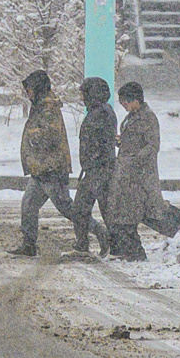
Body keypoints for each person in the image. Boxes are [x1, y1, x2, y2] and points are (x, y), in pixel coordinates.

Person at [12, 69, 90, 256]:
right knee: (28, 205)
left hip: (52, 168)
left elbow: (50, 135)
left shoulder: (48, 107)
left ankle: (100, 233)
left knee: (67, 208)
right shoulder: (40, 105)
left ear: (38, 88)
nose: (28, 93)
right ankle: (29, 245)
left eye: (30, 89)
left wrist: (32, 135)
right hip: (41, 168)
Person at [112, 80, 180, 247]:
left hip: (142, 172)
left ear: (136, 100)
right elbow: (134, 140)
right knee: (145, 208)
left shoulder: (147, 117)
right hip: (130, 171)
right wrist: (122, 142)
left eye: (125, 102)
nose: (124, 106)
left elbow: (152, 145)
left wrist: (135, 159)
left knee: (152, 207)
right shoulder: (132, 117)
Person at [73, 76, 119, 256]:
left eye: (84, 93)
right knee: (97, 210)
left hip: (98, 170)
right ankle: (105, 242)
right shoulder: (99, 111)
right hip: (96, 169)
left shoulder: (101, 114)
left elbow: (100, 143)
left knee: (83, 209)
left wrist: (93, 162)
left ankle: (88, 244)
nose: (82, 98)